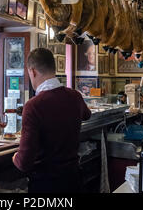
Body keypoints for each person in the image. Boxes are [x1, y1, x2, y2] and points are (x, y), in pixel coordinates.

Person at [12, 48, 91, 193]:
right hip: (73, 179)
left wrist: (15, 157)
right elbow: (87, 115)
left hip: (46, 184)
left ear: (33, 71)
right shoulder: (75, 96)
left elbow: (24, 162)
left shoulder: (33, 106)